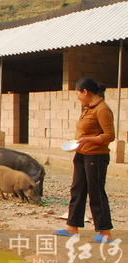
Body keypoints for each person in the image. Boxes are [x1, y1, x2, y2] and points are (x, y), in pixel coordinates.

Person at [54, 77, 115, 243]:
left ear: (85, 92)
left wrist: (89, 140)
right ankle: (72, 227)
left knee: (96, 192)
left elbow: (110, 136)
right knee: (77, 189)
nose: (78, 97)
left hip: (96, 156)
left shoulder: (102, 109)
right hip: (82, 154)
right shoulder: (89, 108)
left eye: (78, 94)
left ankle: (105, 232)